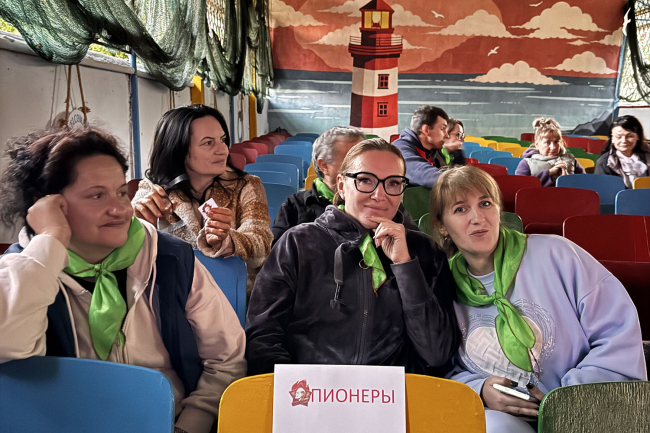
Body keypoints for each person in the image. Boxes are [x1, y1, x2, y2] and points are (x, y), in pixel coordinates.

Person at [0, 128, 247, 433]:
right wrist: (50, 241)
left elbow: (226, 357)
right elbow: (7, 346)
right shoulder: (23, 272)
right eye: (96, 196)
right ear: (47, 205)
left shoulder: (170, 259)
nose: (119, 209)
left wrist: (190, 424)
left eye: (120, 192)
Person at [430, 166, 646, 433]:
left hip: (584, 406)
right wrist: (480, 389)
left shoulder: (557, 254)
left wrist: (563, 401)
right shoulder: (441, 287)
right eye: (460, 209)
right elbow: (443, 368)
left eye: (485, 203)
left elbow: (617, 334)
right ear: (442, 226)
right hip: (505, 420)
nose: (477, 218)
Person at [246, 138, 460, 376]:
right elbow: (263, 338)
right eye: (365, 180)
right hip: (311, 391)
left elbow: (437, 353)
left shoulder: (426, 252)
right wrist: (296, 389)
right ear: (341, 185)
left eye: (393, 183)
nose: (379, 194)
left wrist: (405, 266)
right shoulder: (298, 243)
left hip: (393, 393)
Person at [132, 105, 272, 293]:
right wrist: (139, 227)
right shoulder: (152, 190)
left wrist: (228, 240)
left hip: (232, 293)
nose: (223, 150)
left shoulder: (246, 185)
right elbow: (127, 255)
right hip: (172, 294)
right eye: (208, 143)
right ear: (178, 149)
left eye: (223, 140)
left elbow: (261, 245)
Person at [271, 126, 418, 245]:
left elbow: (417, 247)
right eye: (351, 158)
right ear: (324, 166)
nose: (378, 195)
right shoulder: (295, 206)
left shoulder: (385, 204)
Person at [392, 105, 450, 188]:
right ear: (426, 129)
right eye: (443, 129)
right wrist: (460, 182)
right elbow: (422, 173)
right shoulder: (399, 149)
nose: (447, 136)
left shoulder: (435, 153)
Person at [515, 118, 584, 186]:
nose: (553, 147)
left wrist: (566, 178)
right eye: (547, 143)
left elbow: (584, 184)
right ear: (537, 144)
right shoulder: (526, 163)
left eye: (556, 142)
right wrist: (549, 173)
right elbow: (520, 186)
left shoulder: (571, 160)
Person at [595, 115, 650, 188]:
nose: (624, 141)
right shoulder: (604, 163)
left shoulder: (647, 155)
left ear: (638, 136)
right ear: (612, 138)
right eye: (618, 137)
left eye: (630, 136)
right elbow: (604, 190)